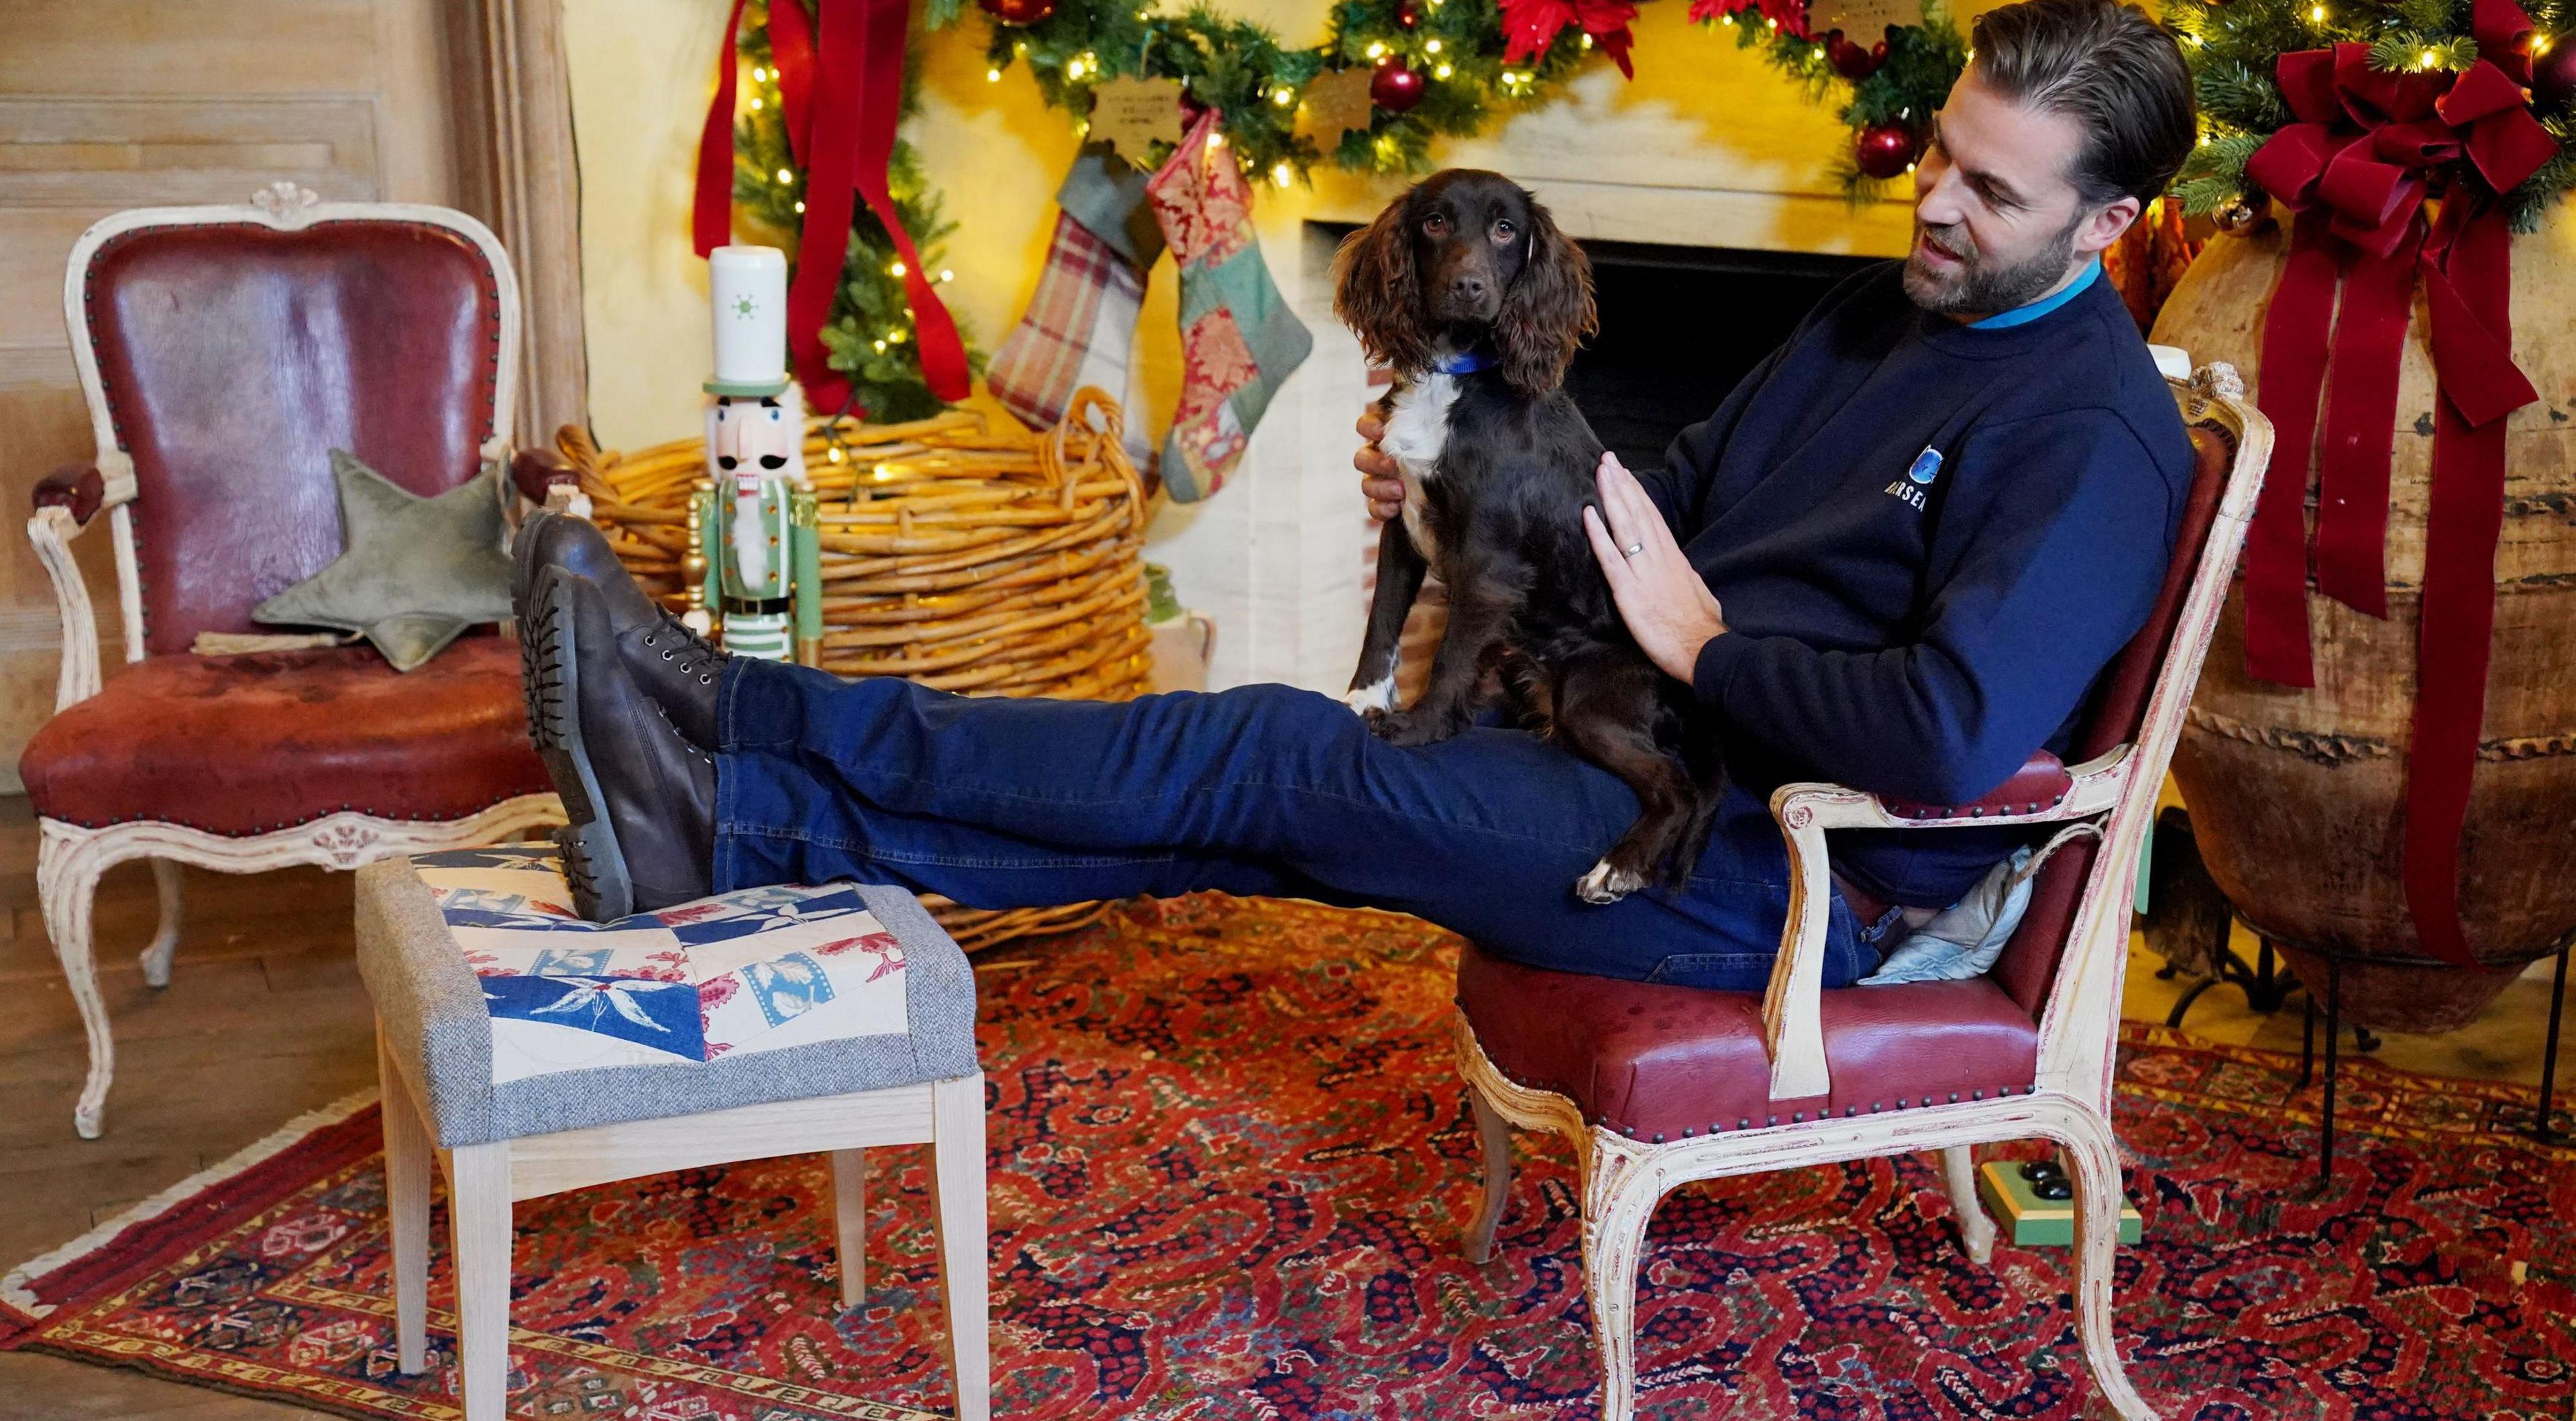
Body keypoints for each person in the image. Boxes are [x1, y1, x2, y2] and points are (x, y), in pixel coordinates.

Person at [518, 0, 2198, 995]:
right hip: (1608, 734)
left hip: (1763, 866)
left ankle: (735, 702)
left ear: (2107, 223)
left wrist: (1702, 652)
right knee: (1237, 797)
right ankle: (737, 814)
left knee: (1256, 747)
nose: (1936, 205)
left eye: (1991, 189)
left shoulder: (2091, 437)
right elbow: (1658, 485)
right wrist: (1462, 475)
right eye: (1938, 157)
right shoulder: (1889, 303)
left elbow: (1954, 735)